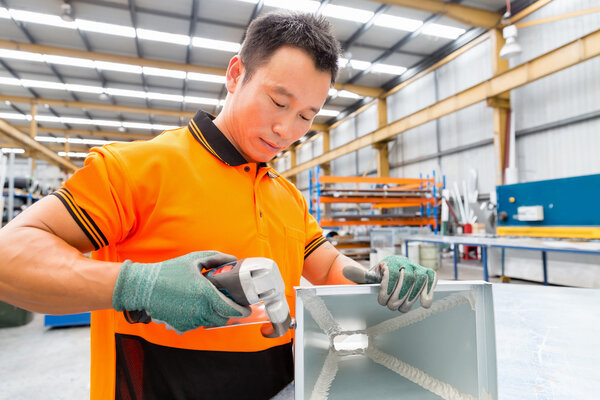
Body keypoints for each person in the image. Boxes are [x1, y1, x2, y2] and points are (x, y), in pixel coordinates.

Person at [0, 11, 436, 400]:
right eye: (278, 101)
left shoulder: (286, 196)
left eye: (306, 116)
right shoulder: (137, 169)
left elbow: (324, 268)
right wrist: (139, 285)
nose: (286, 129)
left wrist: (379, 278)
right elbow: (9, 258)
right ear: (234, 75)